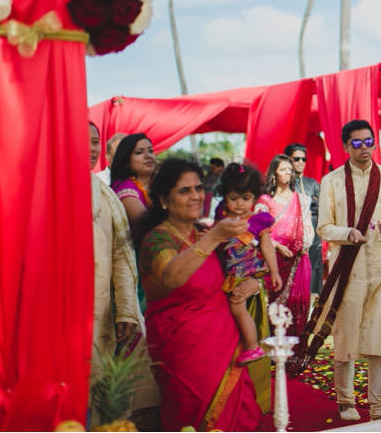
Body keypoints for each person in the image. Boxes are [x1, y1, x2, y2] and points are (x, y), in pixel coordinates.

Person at [134, 159, 264, 430]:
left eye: (199, 188)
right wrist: (213, 237)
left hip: (225, 344)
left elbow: (237, 272)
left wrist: (254, 283)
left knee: (239, 417)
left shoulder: (201, 233)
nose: (195, 196)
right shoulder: (158, 240)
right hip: (184, 351)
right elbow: (172, 275)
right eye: (184, 191)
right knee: (195, 418)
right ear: (163, 199)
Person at [312, 120, 381, 421]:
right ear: (346, 146)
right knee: (345, 334)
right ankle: (346, 400)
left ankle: (379, 406)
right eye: (356, 142)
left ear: (375, 143)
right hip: (347, 268)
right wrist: (346, 232)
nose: (364, 147)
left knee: (380, 336)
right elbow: (323, 227)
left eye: (368, 141)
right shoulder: (332, 180)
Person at [88, 123, 158, 417]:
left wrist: (127, 310)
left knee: (101, 381)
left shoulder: (104, 194)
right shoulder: (46, 186)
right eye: (84, 141)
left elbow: (122, 252)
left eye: (95, 142)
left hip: (103, 308)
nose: (91, 149)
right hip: (58, 310)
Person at [213, 163, 282, 365]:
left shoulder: (259, 220)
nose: (239, 204)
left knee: (237, 307)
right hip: (228, 275)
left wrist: (275, 272)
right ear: (224, 196)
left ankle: (253, 347)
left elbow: (268, 248)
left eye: (245, 199)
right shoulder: (221, 215)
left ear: (254, 197)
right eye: (233, 198)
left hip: (249, 274)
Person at [259, 153, 314, 338]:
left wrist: (304, 245)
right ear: (274, 173)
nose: (288, 173)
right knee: (277, 304)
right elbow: (260, 232)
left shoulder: (301, 199)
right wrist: (277, 246)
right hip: (275, 260)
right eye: (283, 169)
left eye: (290, 170)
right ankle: (277, 346)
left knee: (300, 300)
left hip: (299, 259)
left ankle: (297, 347)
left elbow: (307, 227)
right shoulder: (265, 201)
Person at [286, 143, 323, 299]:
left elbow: (323, 205)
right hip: (291, 230)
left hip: (313, 227)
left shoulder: (312, 183)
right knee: (293, 267)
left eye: (304, 159)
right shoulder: (284, 183)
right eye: (297, 159)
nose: (301, 162)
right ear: (289, 160)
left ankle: (313, 298)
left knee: (314, 264)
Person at [111, 133, 158, 238]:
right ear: (126, 162)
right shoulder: (124, 187)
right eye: (139, 152)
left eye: (150, 151)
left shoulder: (156, 184)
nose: (148, 156)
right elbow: (147, 225)